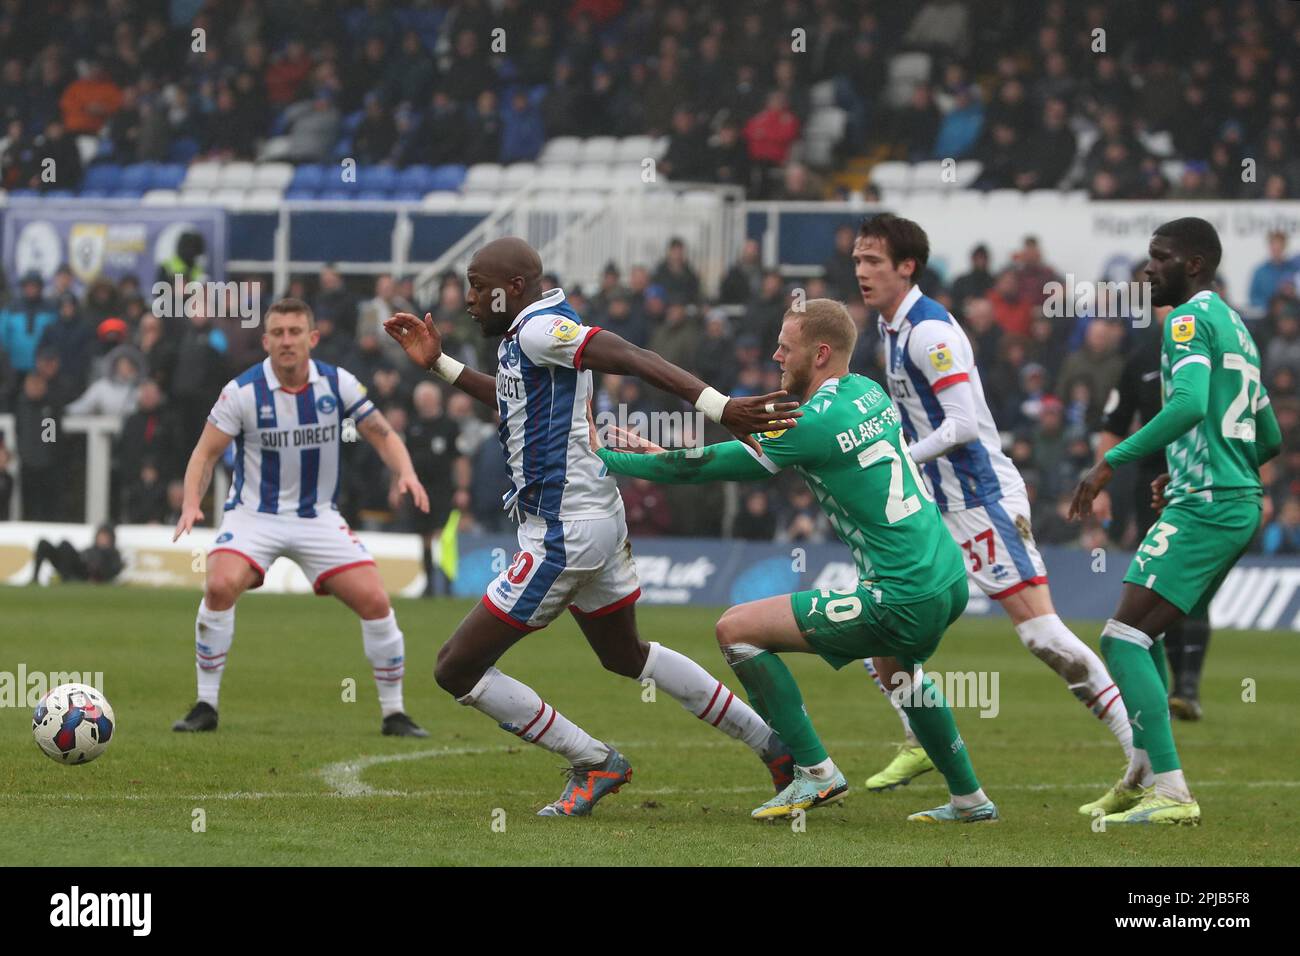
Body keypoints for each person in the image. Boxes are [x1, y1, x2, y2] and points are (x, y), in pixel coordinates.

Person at [382, 237, 799, 817]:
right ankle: (774, 746)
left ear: (515, 287)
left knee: (455, 667)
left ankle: (594, 761)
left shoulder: (535, 330)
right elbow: (514, 405)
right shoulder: (531, 328)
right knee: (626, 655)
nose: (470, 299)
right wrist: (441, 365)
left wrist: (718, 406)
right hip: (596, 517)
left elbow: (626, 353)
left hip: (562, 532)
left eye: (480, 287)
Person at [597, 299, 999, 822]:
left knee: (735, 629)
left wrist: (608, 458)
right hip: (947, 578)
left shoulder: (810, 423)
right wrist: (659, 456)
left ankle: (815, 772)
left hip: (902, 594)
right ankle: (970, 799)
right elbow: (788, 443)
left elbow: (717, 464)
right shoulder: (868, 393)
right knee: (896, 668)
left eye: (786, 348)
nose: (776, 355)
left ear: (822, 353)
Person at [853, 214, 1135, 808]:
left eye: (873, 260)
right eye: (857, 260)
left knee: (1040, 634)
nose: (861, 271)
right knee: (877, 625)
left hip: (981, 502)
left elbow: (959, 426)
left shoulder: (931, 333)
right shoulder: (890, 327)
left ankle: (1143, 754)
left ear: (907, 266)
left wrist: (898, 456)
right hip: (935, 502)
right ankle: (926, 747)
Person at [1071, 218, 1281, 825]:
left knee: (1121, 639)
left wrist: (1111, 462)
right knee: (1145, 635)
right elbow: (1266, 435)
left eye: (1158, 258)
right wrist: (1190, 466)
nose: (1146, 268)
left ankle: (1172, 791)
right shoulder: (1237, 326)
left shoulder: (1186, 321)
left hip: (1210, 505)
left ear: (1192, 264)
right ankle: (1141, 773)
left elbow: (1188, 404)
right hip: (1221, 496)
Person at [170, 298, 431, 738]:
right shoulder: (242, 392)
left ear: (312, 338)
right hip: (254, 515)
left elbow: (382, 434)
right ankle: (205, 705)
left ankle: (394, 714)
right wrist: (191, 503)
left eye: (295, 332)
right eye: (279, 333)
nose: (287, 341)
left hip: (318, 518)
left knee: (375, 601)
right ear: (266, 340)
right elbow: (205, 453)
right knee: (218, 585)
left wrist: (404, 471)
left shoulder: (338, 383)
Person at [1093, 308, 1215, 721]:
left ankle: (1188, 686)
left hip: (1204, 478)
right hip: (1153, 487)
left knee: (1194, 587)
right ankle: (1162, 690)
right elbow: (1114, 421)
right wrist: (1102, 483)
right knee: (1158, 582)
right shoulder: (1142, 359)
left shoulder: (1212, 346)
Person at [30, 525, 123, 584]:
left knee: (65, 544)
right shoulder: (90, 549)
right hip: (74, 567)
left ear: (111, 539)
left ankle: (66, 580)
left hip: (85, 574)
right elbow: (81, 556)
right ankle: (34, 579)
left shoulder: (113, 554)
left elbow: (114, 570)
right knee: (45, 544)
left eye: (105, 537)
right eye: (100, 536)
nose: (102, 539)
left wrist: (97, 572)